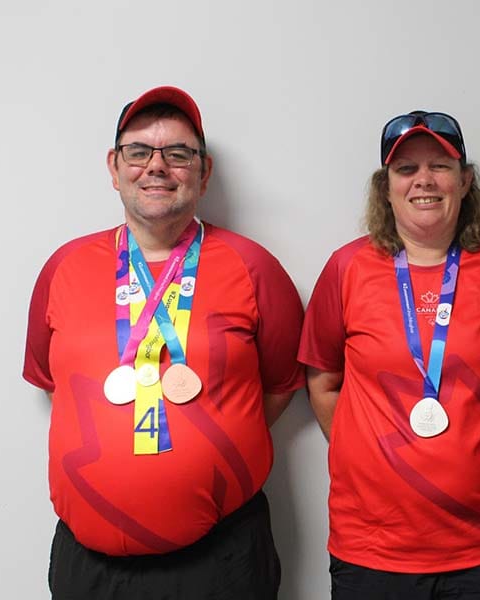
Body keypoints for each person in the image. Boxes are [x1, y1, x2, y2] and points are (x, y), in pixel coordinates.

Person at [23, 86, 304, 599]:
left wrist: (211, 443)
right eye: (138, 151)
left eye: (178, 153)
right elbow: (52, 384)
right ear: (114, 167)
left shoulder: (255, 267)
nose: (157, 166)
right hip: (88, 567)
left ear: (204, 171)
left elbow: (281, 386)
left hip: (221, 560)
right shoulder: (63, 267)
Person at [299, 111, 480, 599]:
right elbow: (323, 382)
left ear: (465, 180)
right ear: (386, 187)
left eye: (440, 166)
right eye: (406, 169)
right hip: (374, 548)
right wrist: (372, 456)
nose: (424, 180)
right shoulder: (347, 268)